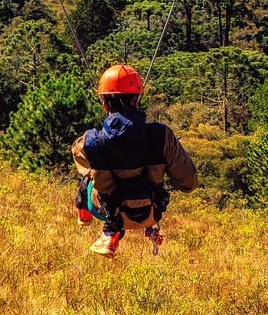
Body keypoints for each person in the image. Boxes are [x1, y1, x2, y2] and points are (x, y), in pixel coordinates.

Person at [72, 63, 198, 257]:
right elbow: (189, 183)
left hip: (107, 211)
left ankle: (97, 224)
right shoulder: (161, 136)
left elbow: (82, 163)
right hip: (150, 212)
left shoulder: (89, 142)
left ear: (104, 103)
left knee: (87, 178)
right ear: (137, 100)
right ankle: (114, 229)